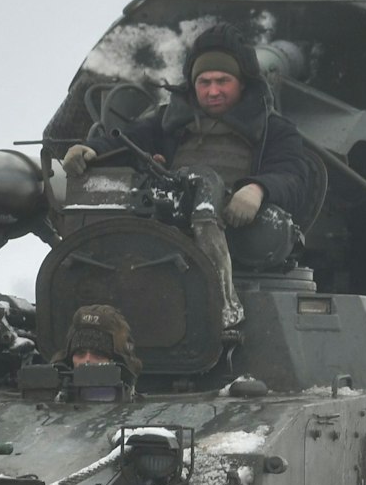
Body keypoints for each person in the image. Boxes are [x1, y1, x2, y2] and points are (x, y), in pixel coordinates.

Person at [62, 22, 322, 326]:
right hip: (163, 249)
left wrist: (258, 189)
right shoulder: (167, 123)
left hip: (240, 246)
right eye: (204, 81)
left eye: (223, 81)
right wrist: (91, 150)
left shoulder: (274, 130)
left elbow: (294, 176)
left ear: (242, 83)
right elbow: (125, 142)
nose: (213, 91)